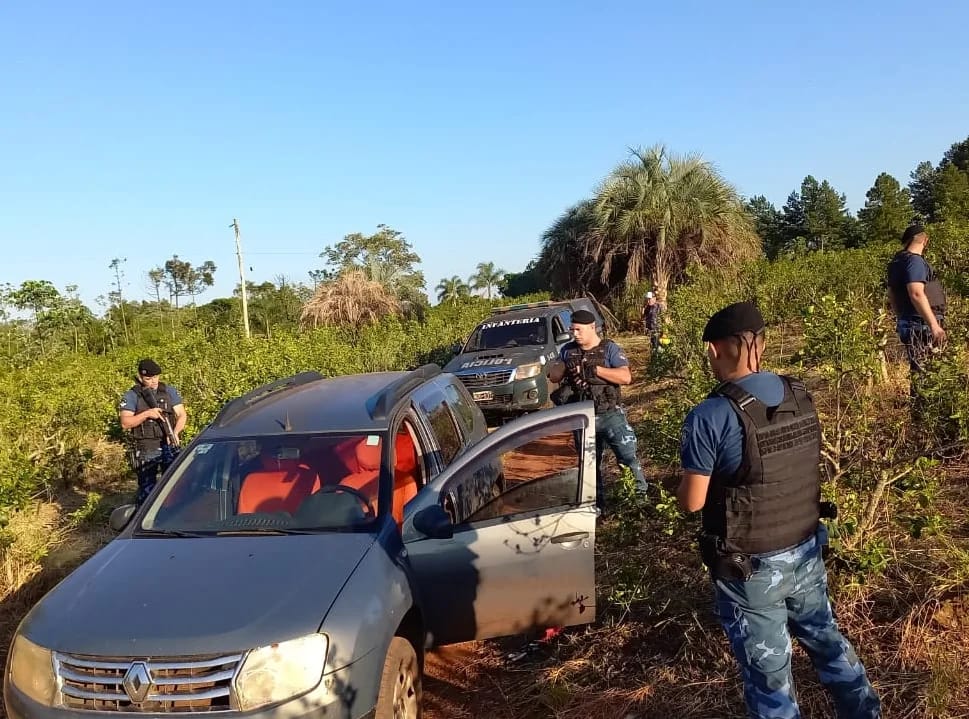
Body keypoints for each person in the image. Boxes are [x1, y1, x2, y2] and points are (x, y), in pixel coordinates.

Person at [677, 301, 880, 719]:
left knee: (770, 678)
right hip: (806, 549)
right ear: (762, 345)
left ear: (714, 351)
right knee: (827, 640)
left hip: (749, 568)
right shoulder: (801, 394)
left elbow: (692, 501)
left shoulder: (710, 415)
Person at [547, 310, 648, 510]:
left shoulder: (609, 348)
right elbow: (554, 376)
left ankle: (639, 502)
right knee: (590, 466)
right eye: (572, 329)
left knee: (628, 459)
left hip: (610, 414)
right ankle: (596, 506)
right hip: (583, 417)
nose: (574, 333)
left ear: (592, 327)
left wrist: (595, 370)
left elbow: (626, 377)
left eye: (578, 329)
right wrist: (565, 364)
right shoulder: (567, 350)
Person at [119, 358, 187, 505]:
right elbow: (125, 423)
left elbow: (182, 415)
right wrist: (147, 414)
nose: (153, 381)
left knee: (175, 486)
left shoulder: (168, 391)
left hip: (169, 443)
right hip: (146, 446)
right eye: (148, 378)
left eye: (155, 377)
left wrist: (175, 432)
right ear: (140, 377)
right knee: (147, 489)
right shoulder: (132, 395)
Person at [886, 223, 947, 376]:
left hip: (910, 322)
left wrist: (901, 318)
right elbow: (916, 293)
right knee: (927, 373)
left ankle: (919, 399)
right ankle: (923, 401)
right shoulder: (915, 261)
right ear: (924, 240)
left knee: (919, 370)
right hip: (921, 324)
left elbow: (892, 294)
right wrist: (934, 325)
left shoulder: (898, 261)